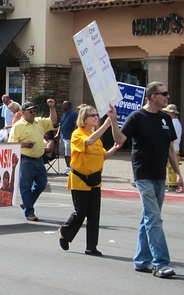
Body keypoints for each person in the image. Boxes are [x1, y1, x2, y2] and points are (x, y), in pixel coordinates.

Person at [116, 81, 184, 278]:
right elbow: (120, 140)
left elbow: (171, 149)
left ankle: (141, 260)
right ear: (153, 96)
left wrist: (178, 174)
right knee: (154, 218)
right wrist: (112, 121)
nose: (168, 97)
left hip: (159, 176)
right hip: (143, 174)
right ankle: (160, 263)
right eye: (164, 93)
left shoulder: (165, 118)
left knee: (149, 218)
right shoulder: (137, 117)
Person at [58, 105, 122, 256]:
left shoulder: (96, 138)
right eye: (92, 115)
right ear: (83, 119)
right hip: (80, 178)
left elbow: (102, 156)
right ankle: (64, 231)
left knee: (94, 215)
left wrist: (114, 148)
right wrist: (107, 124)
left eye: (96, 115)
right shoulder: (78, 134)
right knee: (81, 212)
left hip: (94, 179)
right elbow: (88, 142)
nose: (95, 117)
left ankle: (91, 246)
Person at [8, 99, 57, 221]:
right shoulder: (18, 126)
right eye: (30, 111)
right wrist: (24, 144)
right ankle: (29, 212)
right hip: (26, 160)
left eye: (34, 111)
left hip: (39, 159)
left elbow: (53, 121)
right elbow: (11, 144)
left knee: (41, 184)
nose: (33, 113)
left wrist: (52, 107)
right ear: (23, 113)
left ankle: (27, 202)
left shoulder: (39, 122)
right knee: (25, 186)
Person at [163, 104, 182, 190]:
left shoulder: (172, 123)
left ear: (172, 113)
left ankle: (172, 183)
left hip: (171, 148)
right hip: (175, 148)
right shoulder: (177, 123)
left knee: (170, 167)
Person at [58, 101, 78, 175]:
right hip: (63, 137)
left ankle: (71, 168)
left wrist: (74, 135)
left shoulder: (74, 114)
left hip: (69, 137)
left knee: (69, 153)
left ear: (68, 106)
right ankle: (68, 168)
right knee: (65, 153)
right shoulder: (64, 114)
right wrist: (58, 134)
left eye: (64, 105)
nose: (63, 107)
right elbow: (61, 124)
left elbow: (76, 124)